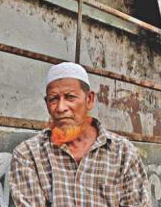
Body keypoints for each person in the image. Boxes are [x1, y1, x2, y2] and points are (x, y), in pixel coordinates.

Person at [9, 62, 150, 206]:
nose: (61, 107)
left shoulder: (123, 153)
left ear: (89, 99)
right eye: (53, 99)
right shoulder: (28, 155)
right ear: (47, 104)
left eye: (70, 97)